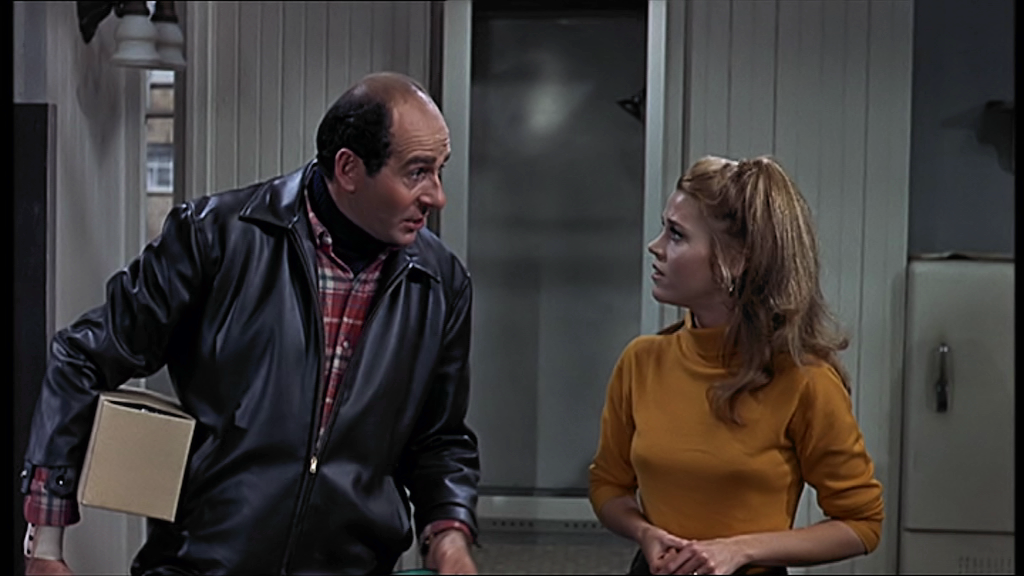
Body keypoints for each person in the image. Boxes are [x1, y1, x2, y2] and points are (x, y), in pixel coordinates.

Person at [20, 72, 480, 576]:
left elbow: (440, 440)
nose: (437, 196)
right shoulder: (213, 238)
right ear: (349, 168)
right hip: (200, 564)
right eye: (417, 173)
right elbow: (82, 358)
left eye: (439, 171)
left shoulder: (440, 284)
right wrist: (46, 544)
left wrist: (449, 534)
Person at [588, 156, 885, 575]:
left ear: (736, 259)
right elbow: (608, 485)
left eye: (676, 234)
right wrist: (644, 532)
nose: (656, 246)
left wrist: (741, 550)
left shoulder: (805, 380)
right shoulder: (641, 362)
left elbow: (862, 523)